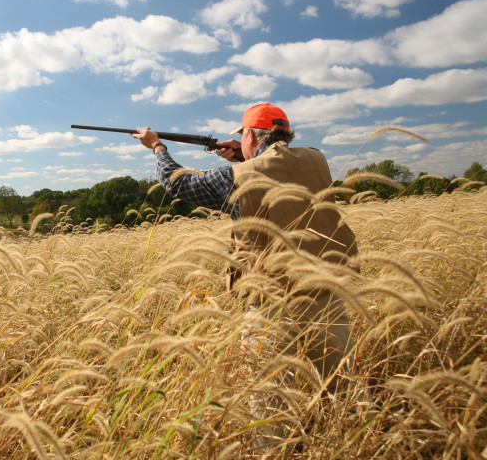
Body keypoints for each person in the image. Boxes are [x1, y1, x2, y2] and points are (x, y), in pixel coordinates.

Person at [132, 102, 359, 401]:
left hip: (270, 301)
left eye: (244, 135)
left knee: (268, 398)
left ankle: (270, 449)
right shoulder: (316, 159)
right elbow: (281, 163)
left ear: (250, 134)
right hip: (325, 290)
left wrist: (157, 147)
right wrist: (246, 152)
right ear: (285, 133)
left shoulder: (236, 177)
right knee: (343, 385)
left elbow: (180, 184)